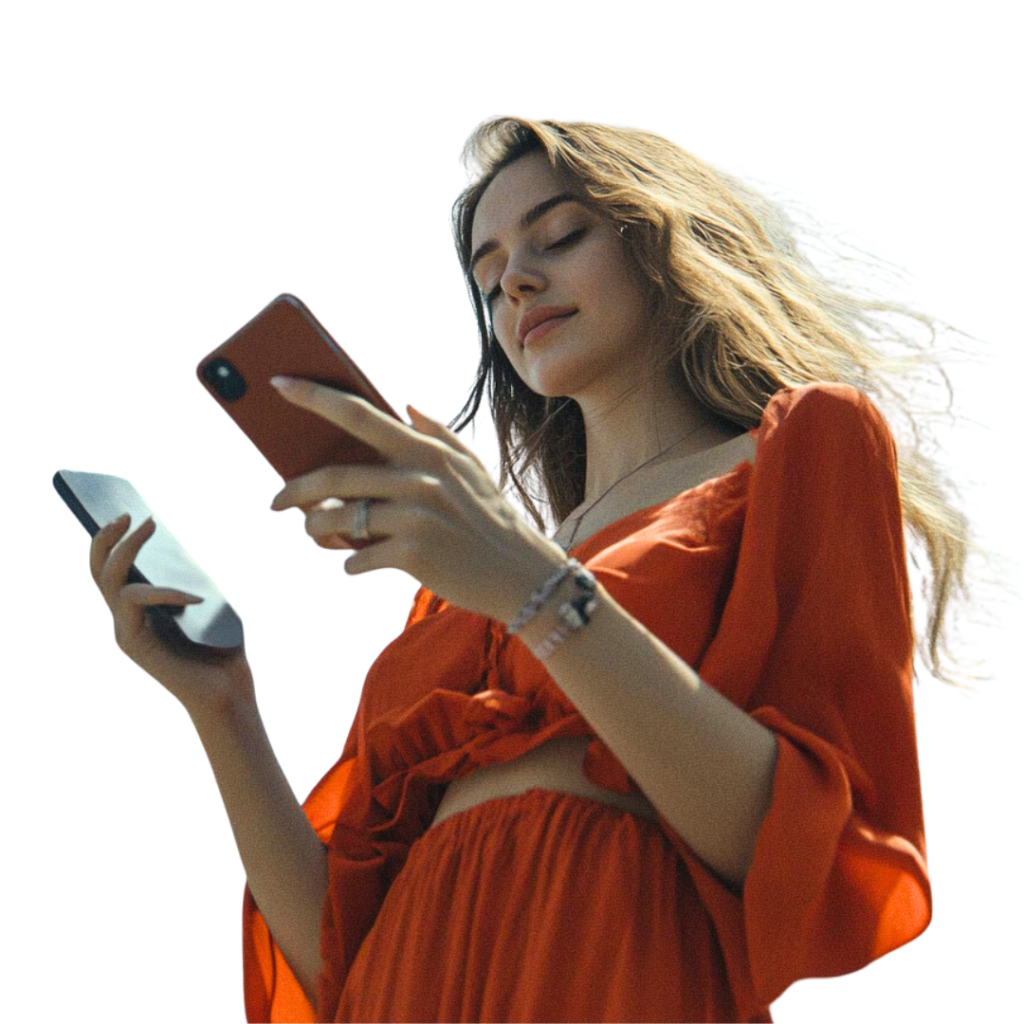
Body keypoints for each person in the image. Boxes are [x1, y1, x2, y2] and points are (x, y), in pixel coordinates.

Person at [90, 116, 1015, 1023]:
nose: (518, 284)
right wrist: (222, 705)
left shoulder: (798, 452)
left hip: (612, 960)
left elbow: (794, 851)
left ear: (662, 241)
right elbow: (339, 962)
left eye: (559, 237)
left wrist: (534, 590)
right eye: (489, 280)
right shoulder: (472, 574)